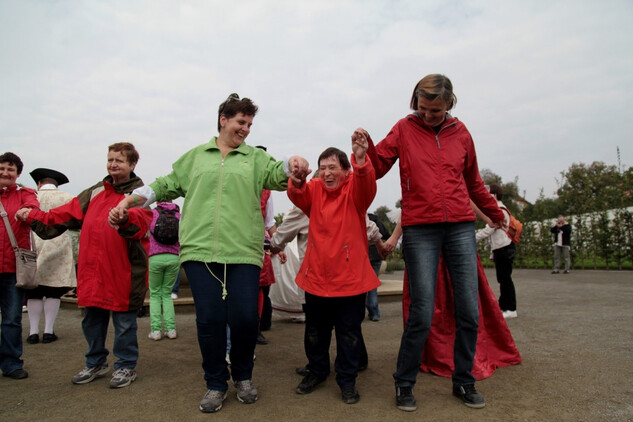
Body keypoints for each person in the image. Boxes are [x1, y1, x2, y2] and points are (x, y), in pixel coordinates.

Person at [110, 93, 310, 413]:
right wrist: (128, 201)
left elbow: (278, 174)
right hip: (200, 252)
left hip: (243, 252)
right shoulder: (195, 157)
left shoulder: (254, 159)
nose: (245, 128)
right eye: (240, 122)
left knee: (245, 319)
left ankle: (243, 375)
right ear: (223, 120)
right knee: (210, 321)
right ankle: (216, 383)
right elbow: (164, 185)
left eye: (249, 124)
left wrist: (292, 164)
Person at [357, 74, 506, 411]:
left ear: (449, 105)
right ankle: (404, 382)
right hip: (420, 228)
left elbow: (474, 183)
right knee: (421, 312)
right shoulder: (404, 128)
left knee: (469, 310)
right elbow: (378, 166)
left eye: (435, 111)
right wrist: (364, 154)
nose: (427, 116)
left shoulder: (462, 133)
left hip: (460, 228)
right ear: (415, 103)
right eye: (422, 109)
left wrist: (496, 214)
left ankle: (464, 380)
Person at [18, 143, 152, 389]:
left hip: (124, 272)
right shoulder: (94, 192)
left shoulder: (139, 194)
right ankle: (96, 362)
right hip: (93, 272)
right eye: (110, 159)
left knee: (124, 325)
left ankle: (125, 366)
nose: (113, 164)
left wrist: (124, 218)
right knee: (91, 321)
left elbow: (140, 225)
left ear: (132, 165)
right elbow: (63, 215)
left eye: (119, 161)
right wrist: (33, 216)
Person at [287, 140, 379, 405]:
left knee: (349, 333)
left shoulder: (355, 191)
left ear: (347, 171)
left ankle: (347, 380)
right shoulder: (314, 189)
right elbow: (298, 194)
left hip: (350, 280)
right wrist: (297, 179)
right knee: (315, 331)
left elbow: (367, 185)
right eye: (322, 167)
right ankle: (316, 371)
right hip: (317, 277)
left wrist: (361, 160)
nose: (326, 172)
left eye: (333, 167)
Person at [25, 168, 76, 345]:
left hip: (33, 244)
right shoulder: (68, 198)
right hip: (58, 245)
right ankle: (48, 331)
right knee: (53, 291)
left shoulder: (31, 197)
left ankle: (32, 332)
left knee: (34, 291)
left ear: (39, 183)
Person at [0, 152, 39, 380]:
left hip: (14, 268)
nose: (5, 173)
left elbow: (32, 208)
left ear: (17, 174)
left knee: (12, 319)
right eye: (2, 168)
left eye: (10, 169)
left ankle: (12, 363)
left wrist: (27, 212)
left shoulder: (25, 195)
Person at [476, 184, 518, 318]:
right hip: (502, 248)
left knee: (505, 278)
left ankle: (510, 308)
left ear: (494, 195)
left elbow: (489, 229)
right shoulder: (500, 208)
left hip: (504, 248)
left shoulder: (499, 209)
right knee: (503, 278)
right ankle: (503, 305)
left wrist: (471, 238)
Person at [147, 202, 181, 341]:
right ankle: (171, 329)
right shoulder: (179, 215)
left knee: (155, 294)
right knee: (167, 294)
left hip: (155, 257)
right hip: (174, 258)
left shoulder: (153, 214)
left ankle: (155, 331)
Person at [366, 213, 390, 321]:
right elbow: (385, 234)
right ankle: (374, 311)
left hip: (364, 255)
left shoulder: (359, 216)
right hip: (376, 256)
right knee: (373, 285)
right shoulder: (375, 219)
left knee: (361, 286)